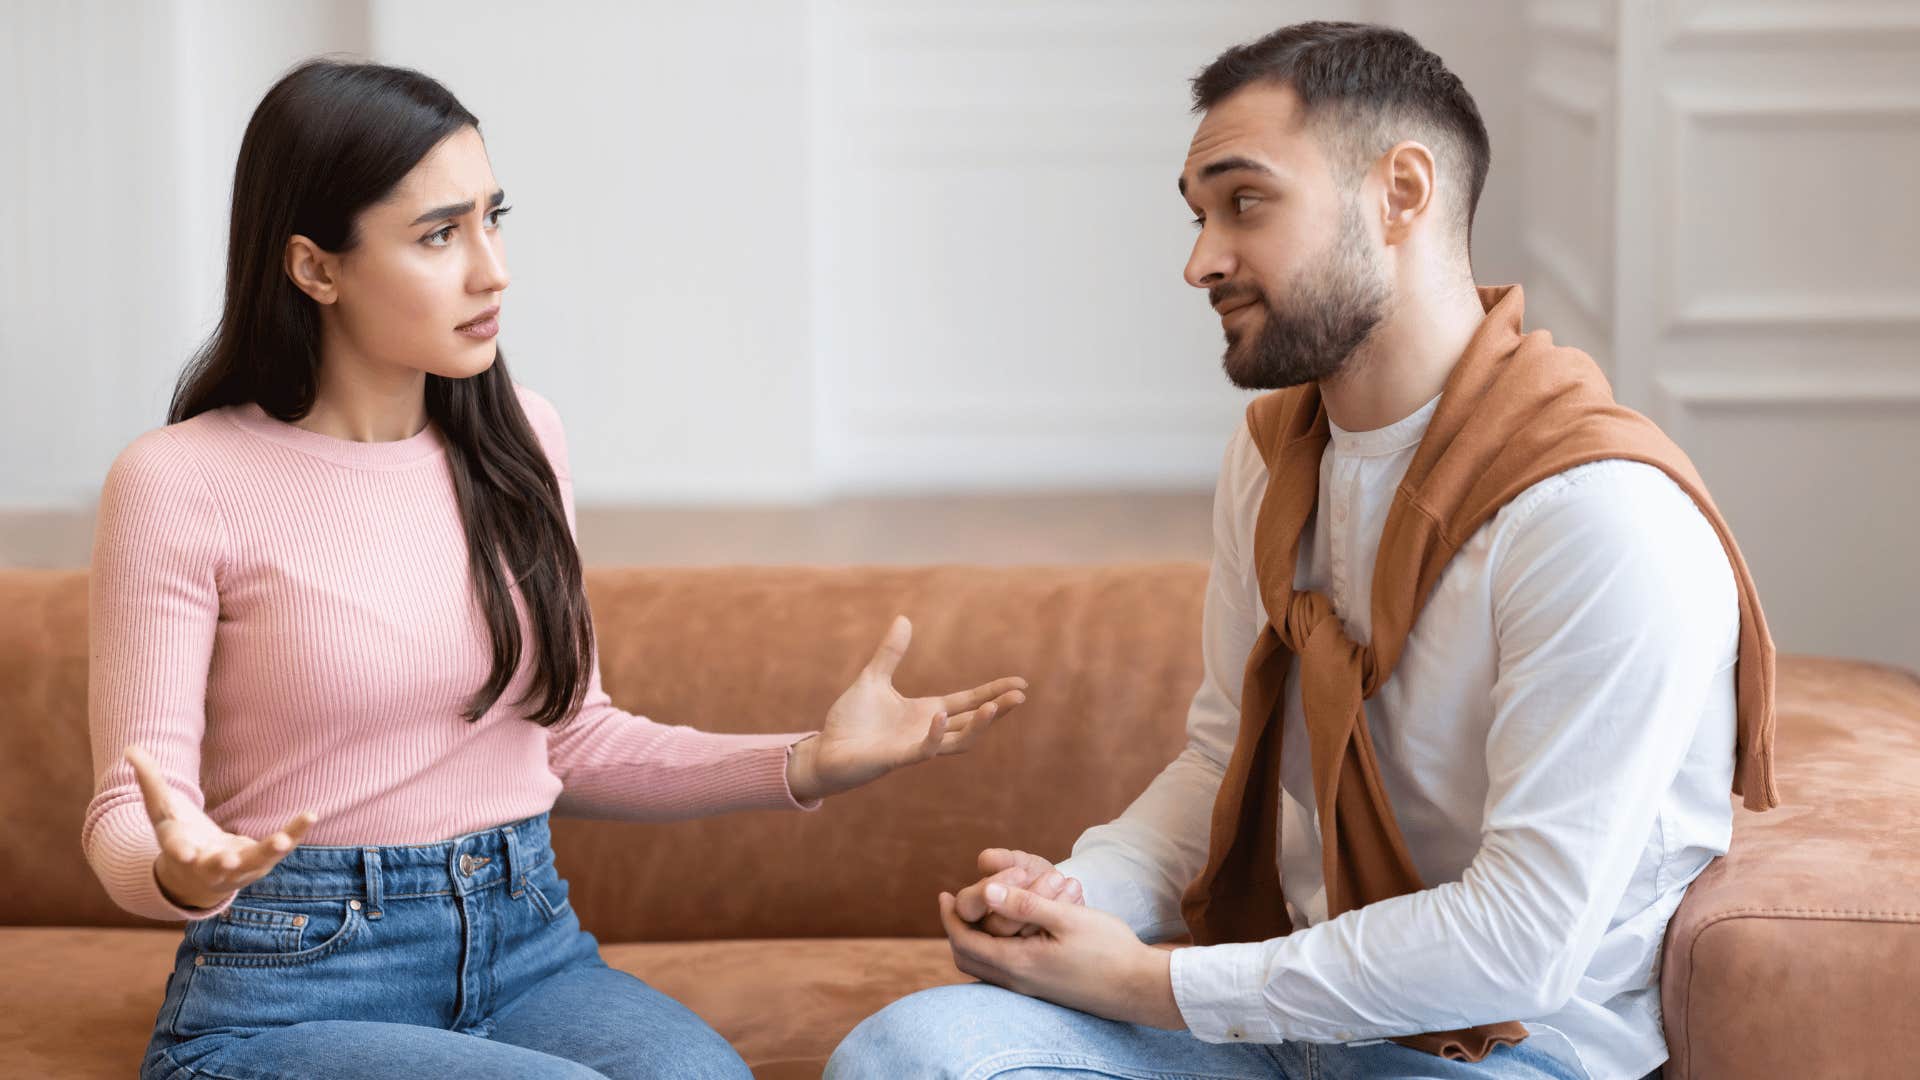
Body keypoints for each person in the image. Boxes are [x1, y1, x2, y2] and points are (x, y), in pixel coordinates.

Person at [828, 21, 1776, 1080]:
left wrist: (1149, 985)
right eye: (1196, 215)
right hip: (1282, 1020)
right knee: (910, 1055)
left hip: (1499, 1050)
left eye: (1245, 203)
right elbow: (1222, 758)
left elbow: (1524, 943)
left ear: (1401, 193)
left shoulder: (1596, 518)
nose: (1199, 261)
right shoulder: (1275, 457)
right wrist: (1074, 900)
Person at [83, 58, 1027, 1080]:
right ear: (316, 268)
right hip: (292, 983)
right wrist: (181, 874)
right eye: (440, 235)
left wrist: (806, 761)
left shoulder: (521, 440)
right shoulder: (179, 480)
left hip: (526, 943)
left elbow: (569, 740)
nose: (493, 270)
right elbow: (125, 813)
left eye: (494, 218)